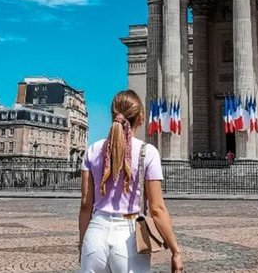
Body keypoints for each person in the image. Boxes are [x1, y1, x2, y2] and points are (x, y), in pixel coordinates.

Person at [78, 90, 183, 273]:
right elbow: (157, 209)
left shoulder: (92, 150)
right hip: (128, 237)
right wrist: (175, 250)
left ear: (112, 115)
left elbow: (86, 205)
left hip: (95, 234)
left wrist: (82, 244)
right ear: (141, 117)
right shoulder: (147, 152)